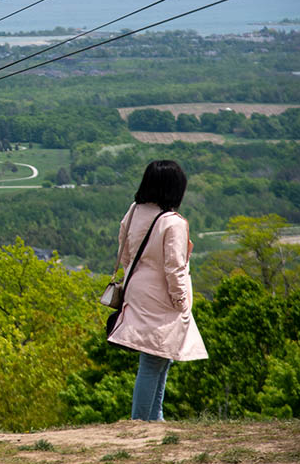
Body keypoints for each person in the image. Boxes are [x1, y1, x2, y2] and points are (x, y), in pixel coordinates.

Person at [108, 159, 208, 421]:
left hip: (137, 289)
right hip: (162, 296)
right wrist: (182, 301)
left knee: (161, 357)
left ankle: (155, 417)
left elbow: (126, 254)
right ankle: (142, 420)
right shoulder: (173, 222)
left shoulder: (134, 211)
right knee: (154, 361)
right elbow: (174, 267)